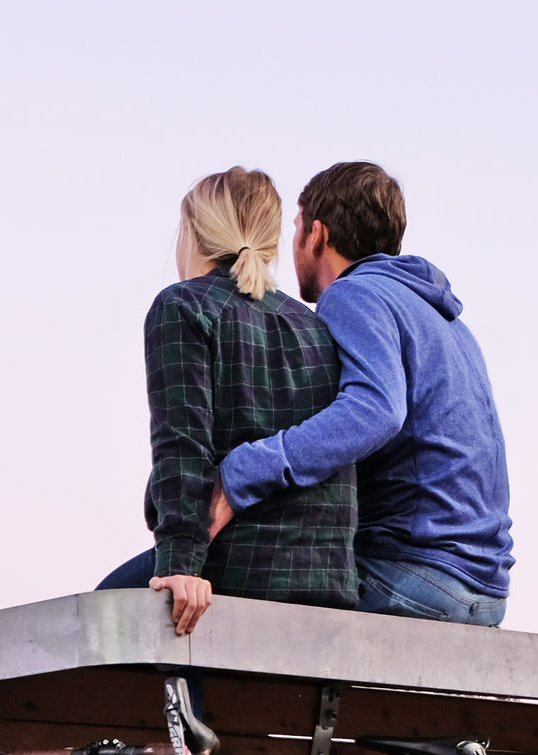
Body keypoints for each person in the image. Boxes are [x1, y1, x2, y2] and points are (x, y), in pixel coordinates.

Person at [214, 162, 513, 627]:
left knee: (174, 592)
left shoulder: (353, 295)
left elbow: (376, 411)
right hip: (485, 589)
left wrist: (243, 472)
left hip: (413, 573)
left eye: (295, 230)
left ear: (316, 234)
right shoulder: (445, 320)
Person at [96, 167, 357, 636]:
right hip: (326, 585)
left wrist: (180, 564)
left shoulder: (182, 306)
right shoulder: (320, 330)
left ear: (195, 233)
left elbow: (182, 446)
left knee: (96, 619)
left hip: (234, 571)